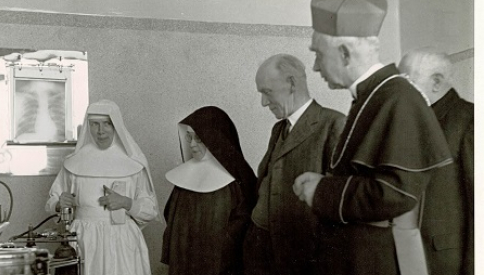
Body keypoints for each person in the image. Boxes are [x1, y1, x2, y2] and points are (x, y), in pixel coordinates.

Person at [292, 1, 454, 275]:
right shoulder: (375, 94)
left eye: (318, 54)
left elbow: (394, 194)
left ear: (344, 54)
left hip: (373, 261)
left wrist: (322, 191)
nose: (316, 66)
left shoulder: (398, 97)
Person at [243, 53, 345, 275]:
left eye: (267, 92)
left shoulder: (333, 124)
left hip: (305, 258)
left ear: (292, 83)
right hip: (264, 253)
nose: (263, 103)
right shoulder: (279, 129)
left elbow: (339, 200)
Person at [45, 100, 161, 275]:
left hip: (122, 241)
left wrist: (126, 202)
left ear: (116, 125)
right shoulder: (73, 162)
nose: (100, 131)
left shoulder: (134, 163)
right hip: (83, 241)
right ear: (88, 126)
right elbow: (51, 201)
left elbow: (150, 210)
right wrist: (59, 204)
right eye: (94, 124)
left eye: (107, 123)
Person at [399, 48, 474, 275]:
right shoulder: (411, 121)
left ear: (436, 82)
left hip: (447, 262)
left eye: (407, 81)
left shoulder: (469, 121)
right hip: (410, 257)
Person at [161, 106, 257, 275]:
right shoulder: (183, 178)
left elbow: (243, 224)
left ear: (215, 139)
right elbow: (170, 216)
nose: (192, 145)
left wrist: (221, 244)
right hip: (184, 260)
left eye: (199, 139)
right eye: (189, 138)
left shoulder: (235, 182)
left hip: (217, 263)